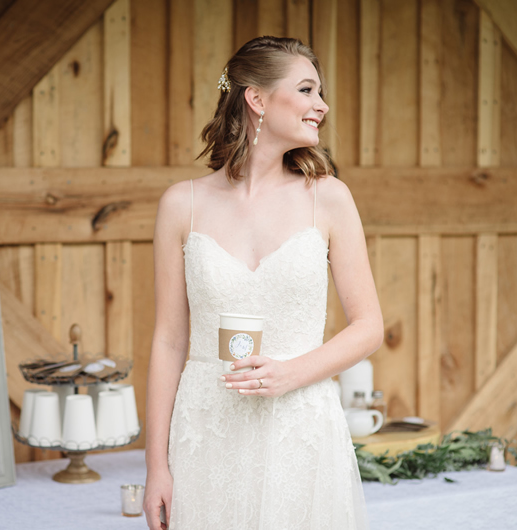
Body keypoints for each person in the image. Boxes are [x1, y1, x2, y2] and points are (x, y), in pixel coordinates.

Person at [143, 36, 383, 529]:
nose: (323, 105)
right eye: (307, 89)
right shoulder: (179, 205)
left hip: (301, 432)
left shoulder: (329, 199)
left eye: (320, 92)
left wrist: (292, 374)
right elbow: (169, 341)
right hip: (207, 433)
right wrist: (156, 467)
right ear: (257, 99)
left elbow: (369, 327)